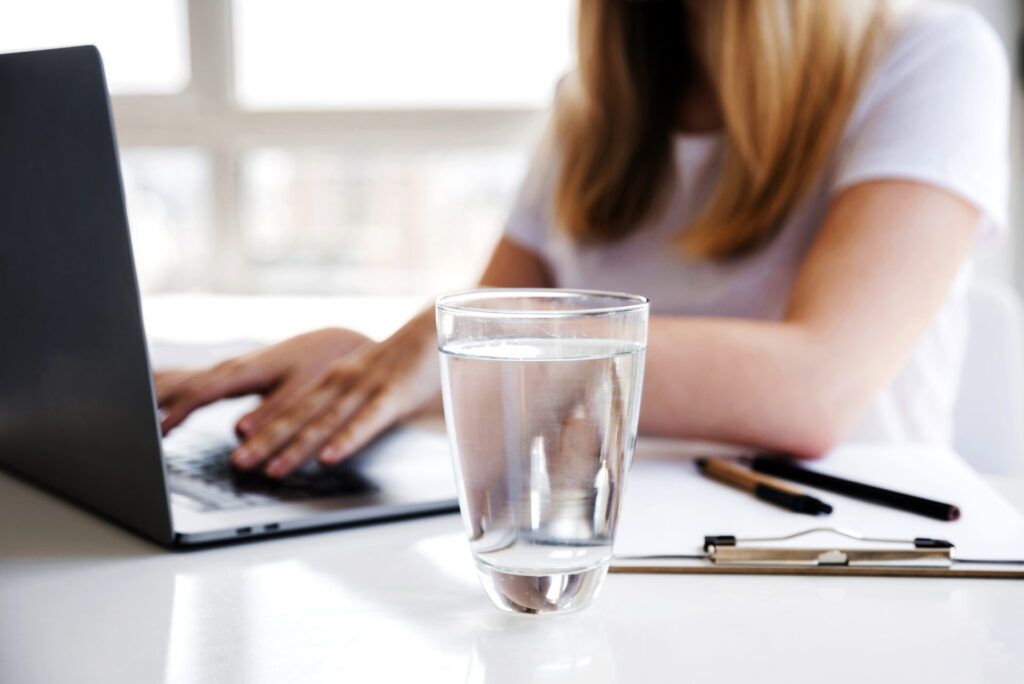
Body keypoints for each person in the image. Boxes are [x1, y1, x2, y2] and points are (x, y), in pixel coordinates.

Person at [156, 0, 1009, 479]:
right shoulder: (589, 107)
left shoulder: (931, 55)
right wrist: (367, 371)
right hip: (592, 538)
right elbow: (499, 363)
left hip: (833, 557)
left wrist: (446, 344)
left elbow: (818, 389)